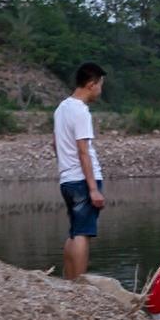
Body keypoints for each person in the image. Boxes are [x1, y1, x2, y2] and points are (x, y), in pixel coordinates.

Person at [54, 62, 107, 280]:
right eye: (100, 85)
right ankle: (80, 283)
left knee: (75, 231)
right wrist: (93, 188)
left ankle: (69, 280)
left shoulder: (61, 108)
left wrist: (65, 166)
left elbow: (54, 144)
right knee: (83, 233)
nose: (100, 90)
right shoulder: (81, 111)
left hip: (67, 179)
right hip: (82, 180)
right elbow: (83, 151)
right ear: (91, 84)